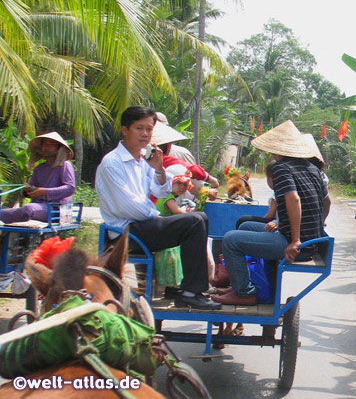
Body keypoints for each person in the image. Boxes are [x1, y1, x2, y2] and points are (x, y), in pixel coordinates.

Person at [95, 106, 220, 310]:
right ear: (125, 130)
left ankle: (192, 290)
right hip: (124, 234)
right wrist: (157, 216)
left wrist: (160, 169)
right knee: (193, 222)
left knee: (200, 218)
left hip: (141, 226)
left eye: (149, 129)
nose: (145, 134)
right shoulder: (112, 163)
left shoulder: (142, 161)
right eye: (139, 128)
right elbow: (130, 208)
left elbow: (161, 191)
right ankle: (190, 292)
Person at [212, 121, 331, 306]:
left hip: (295, 245)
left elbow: (294, 200)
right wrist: (317, 225)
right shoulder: (313, 169)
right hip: (311, 242)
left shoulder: (281, 168)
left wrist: (295, 241)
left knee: (230, 240)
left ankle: (244, 293)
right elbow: (327, 201)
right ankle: (240, 283)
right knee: (245, 226)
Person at [0, 132, 75, 224]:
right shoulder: (39, 168)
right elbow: (31, 190)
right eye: (45, 143)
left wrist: (45, 192)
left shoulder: (65, 165)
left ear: (59, 148)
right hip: (38, 207)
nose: (47, 146)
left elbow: (70, 188)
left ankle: (25, 238)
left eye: (51, 144)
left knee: (28, 208)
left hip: (56, 210)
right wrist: (28, 190)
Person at [235, 160, 278, 230]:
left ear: (270, 179)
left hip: (273, 223)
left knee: (242, 220)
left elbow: (270, 215)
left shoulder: (276, 194)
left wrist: (259, 221)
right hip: (276, 222)